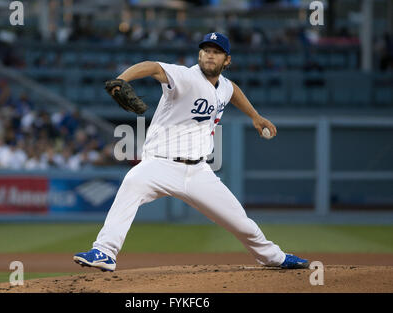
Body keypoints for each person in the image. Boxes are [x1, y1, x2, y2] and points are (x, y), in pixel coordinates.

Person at [74, 32, 309, 271]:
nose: (209, 55)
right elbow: (153, 67)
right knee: (132, 183)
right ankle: (104, 251)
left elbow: (232, 90)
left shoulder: (224, 87)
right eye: (206, 50)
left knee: (239, 220)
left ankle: (273, 257)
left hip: (199, 171)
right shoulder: (185, 77)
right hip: (160, 165)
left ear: (227, 60)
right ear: (199, 54)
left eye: (216, 52)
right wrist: (121, 79)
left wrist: (255, 117)